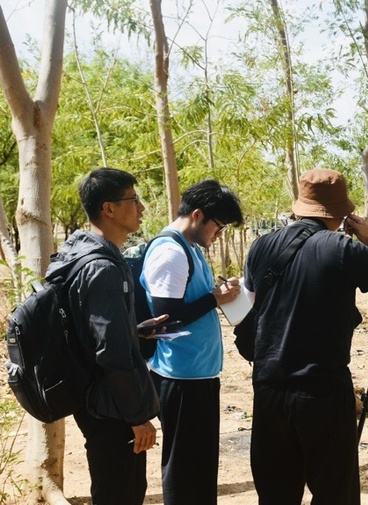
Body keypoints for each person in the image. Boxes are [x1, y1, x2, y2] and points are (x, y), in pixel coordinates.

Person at [243, 168, 368, 504]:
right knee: (335, 492)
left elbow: (251, 307)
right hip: (321, 389)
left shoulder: (261, 246)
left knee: (276, 493)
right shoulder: (343, 249)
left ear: (299, 207)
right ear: (343, 214)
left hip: (269, 388)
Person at [46, 167, 160, 505]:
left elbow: (95, 331)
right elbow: (111, 352)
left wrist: (132, 331)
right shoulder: (102, 267)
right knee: (120, 493)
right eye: (133, 200)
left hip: (95, 396)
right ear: (108, 208)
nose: (140, 208)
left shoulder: (84, 255)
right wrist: (137, 416)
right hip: (111, 405)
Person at [140, 179, 244, 504]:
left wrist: (218, 296)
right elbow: (164, 323)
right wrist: (214, 299)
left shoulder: (189, 248)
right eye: (219, 225)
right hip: (180, 378)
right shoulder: (171, 253)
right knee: (184, 471)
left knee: (199, 470)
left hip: (196, 375)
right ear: (198, 215)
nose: (219, 233)